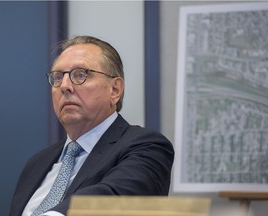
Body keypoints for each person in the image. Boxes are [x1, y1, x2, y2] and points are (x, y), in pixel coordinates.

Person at [9, 35, 174, 216]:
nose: (65, 86)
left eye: (80, 75)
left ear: (115, 90)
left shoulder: (147, 146)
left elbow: (115, 198)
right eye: (57, 77)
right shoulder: (37, 163)